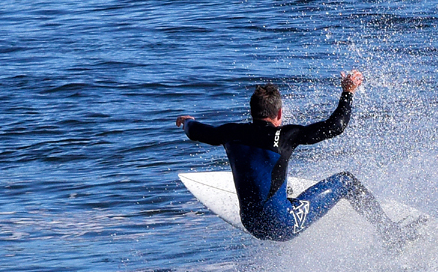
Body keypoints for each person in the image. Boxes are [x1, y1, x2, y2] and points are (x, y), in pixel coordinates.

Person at [176, 71, 410, 244]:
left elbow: (195, 132)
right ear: (278, 113)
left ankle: (282, 200)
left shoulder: (229, 132)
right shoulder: (286, 135)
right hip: (284, 224)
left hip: (251, 224)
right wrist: (347, 93)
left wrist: (186, 121)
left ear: (253, 113)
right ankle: (392, 235)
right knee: (346, 181)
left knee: (275, 187)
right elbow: (336, 126)